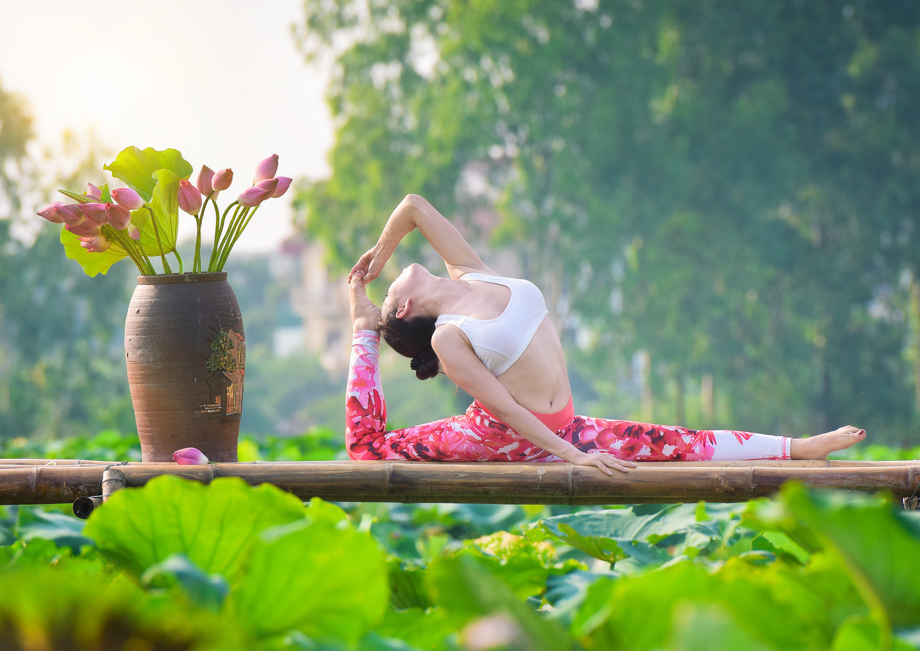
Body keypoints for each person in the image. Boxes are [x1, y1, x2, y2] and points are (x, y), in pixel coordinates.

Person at [345, 194, 866, 475]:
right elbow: (505, 410)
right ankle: (361, 334)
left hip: (561, 427)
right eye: (389, 291)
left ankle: (798, 447)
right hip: (504, 438)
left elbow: (412, 206)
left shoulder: (470, 272)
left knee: (678, 442)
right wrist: (574, 457)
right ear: (406, 307)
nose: (391, 279)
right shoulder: (447, 339)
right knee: (369, 449)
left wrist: (379, 257)